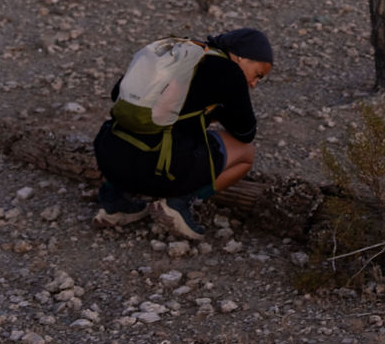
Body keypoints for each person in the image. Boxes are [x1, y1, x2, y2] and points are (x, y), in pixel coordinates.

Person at [93, 27, 273, 240]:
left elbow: (117, 93)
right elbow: (246, 132)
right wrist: (218, 112)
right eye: (257, 74)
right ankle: (178, 202)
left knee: (139, 128)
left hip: (109, 158)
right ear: (241, 57)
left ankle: (114, 201)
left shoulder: (174, 52)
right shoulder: (229, 70)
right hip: (161, 169)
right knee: (246, 154)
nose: (253, 84)